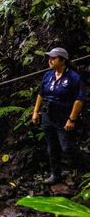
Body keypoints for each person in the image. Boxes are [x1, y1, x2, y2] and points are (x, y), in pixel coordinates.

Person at [32, 47, 86, 184]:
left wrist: (71, 119)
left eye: (53, 58)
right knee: (52, 147)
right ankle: (56, 173)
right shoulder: (48, 75)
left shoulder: (74, 77)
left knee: (67, 147)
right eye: (49, 57)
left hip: (64, 116)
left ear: (63, 60)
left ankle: (84, 169)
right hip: (48, 115)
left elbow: (79, 100)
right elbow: (40, 94)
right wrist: (35, 112)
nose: (50, 60)